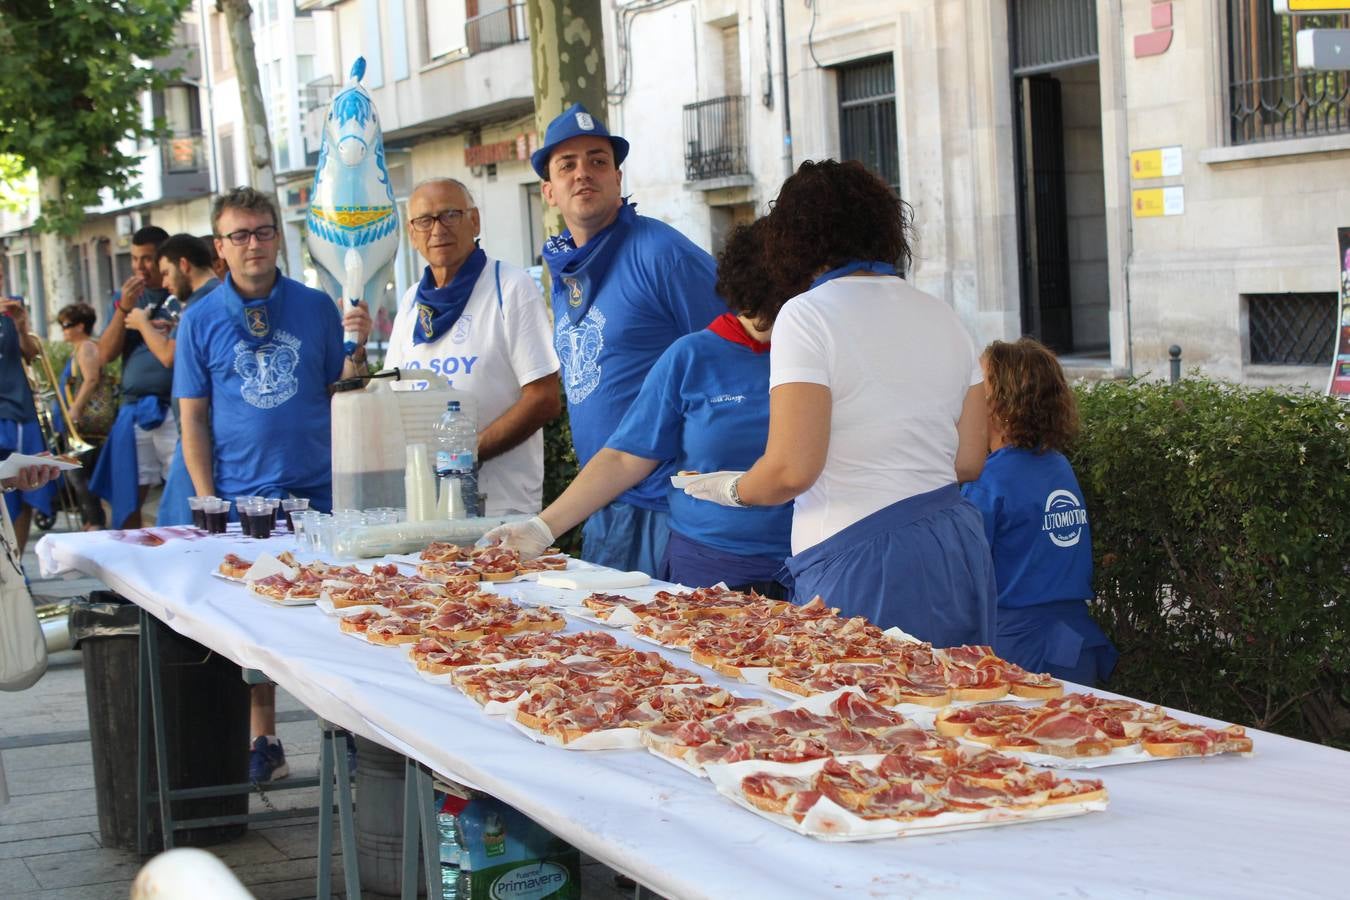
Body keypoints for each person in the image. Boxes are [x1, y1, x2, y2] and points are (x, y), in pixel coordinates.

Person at [683, 159, 996, 648]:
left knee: (860, 717)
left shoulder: (805, 316)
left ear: (793, 239)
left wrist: (730, 489)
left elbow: (791, 471)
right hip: (953, 549)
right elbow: (969, 459)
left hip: (861, 560)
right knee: (947, 711)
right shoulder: (943, 315)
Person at [174, 187, 371, 782]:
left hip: (319, 492)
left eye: (262, 231)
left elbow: (346, 389)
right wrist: (207, 498)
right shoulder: (199, 318)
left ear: (278, 237)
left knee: (334, 617)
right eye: (240, 235)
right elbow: (193, 416)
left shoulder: (314, 307)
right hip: (243, 498)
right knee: (252, 624)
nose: (253, 244)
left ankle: (351, 732)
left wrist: (357, 348)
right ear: (220, 247)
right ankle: (265, 740)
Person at [484, 220, 793, 594]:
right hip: (710, 567)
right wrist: (542, 528)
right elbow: (625, 457)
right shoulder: (692, 357)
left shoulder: (819, 353)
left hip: (810, 558)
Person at [534, 103, 726, 574]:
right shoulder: (566, 272)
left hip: (669, 510)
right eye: (568, 165)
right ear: (549, 192)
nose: (584, 173)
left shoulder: (662, 253)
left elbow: (737, 350)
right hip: (603, 503)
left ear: (618, 179)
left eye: (598, 161)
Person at [385, 178, 561, 516]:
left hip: (499, 511)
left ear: (475, 221)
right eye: (425, 220)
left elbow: (544, 398)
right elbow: (393, 398)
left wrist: (465, 455)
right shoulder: (410, 303)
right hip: (426, 509)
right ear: (411, 233)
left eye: (450, 214)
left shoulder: (511, 287)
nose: (437, 229)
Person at [961, 338, 1118, 684]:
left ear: (999, 403)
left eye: (978, 384)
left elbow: (962, 580)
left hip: (1018, 656)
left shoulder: (990, 480)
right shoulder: (1058, 465)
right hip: (1074, 647)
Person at [90, 225, 177, 529]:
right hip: (135, 407)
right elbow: (104, 355)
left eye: (148, 259)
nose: (140, 266)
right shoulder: (128, 297)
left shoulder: (179, 290)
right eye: (135, 259)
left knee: (181, 495)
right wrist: (123, 309)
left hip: (176, 407)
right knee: (127, 496)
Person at [151, 234, 222, 526]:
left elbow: (169, 357)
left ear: (184, 264)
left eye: (167, 272)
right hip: (200, 432)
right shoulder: (208, 301)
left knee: (181, 532)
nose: (165, 283)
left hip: (202, 435)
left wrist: (143, 325)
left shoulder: (202, 306)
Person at [0, 274, 57, 552]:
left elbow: (31, 354)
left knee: (25, 484)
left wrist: (22, 327)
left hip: (19, 408)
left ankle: (17, 562)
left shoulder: (13, 306)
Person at [54, 303, 116, 529]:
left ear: (81, 326)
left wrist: (75, 409)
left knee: (79, 476)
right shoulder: (80, 348)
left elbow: (90, 379)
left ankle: (94, 522)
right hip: (79, 426)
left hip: (84, 425)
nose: (63, 329)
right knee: (77, 476)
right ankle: (91, 521)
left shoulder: (86, 347)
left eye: (67, 325)